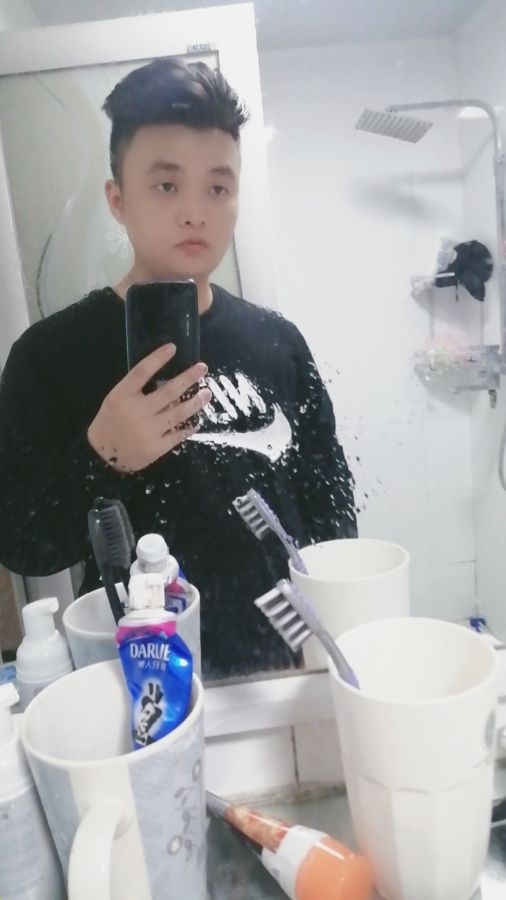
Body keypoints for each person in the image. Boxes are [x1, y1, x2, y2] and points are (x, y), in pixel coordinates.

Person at [0, 59, 356, 677]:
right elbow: (22, 543)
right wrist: (102, 456)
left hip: (280, 664)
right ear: (118, 199)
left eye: (218, 187)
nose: (196, 211)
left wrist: (324, 625)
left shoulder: (278, 342)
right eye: (167, 185)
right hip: (135, 676)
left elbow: (330, 500)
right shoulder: (51, 355)